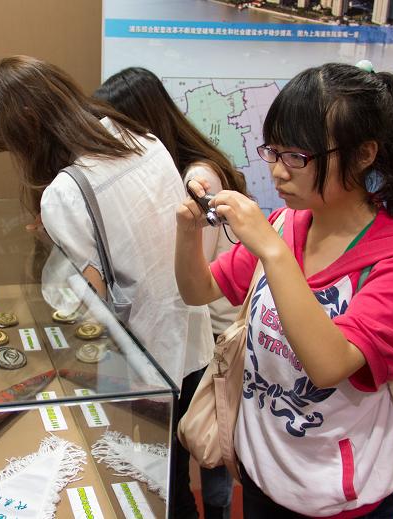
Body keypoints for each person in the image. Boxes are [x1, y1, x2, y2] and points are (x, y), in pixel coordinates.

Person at [175, 62, 393, 518]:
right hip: (260, 477)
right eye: (273, 151)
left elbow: (329, 365)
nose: (278, 172)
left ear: (364, 154)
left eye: (297, 157)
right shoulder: (286, 223)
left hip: (339, 499)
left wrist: (271, 250)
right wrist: (187, 230)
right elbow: (198, 290)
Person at [0, 55, 213, 406]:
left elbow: (84, 305)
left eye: (13, 146)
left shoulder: (64, 192)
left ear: (28, 126)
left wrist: (50, 247)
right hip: (193, 338)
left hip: (141, 361)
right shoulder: (143, 139)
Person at [94, 67, 247, 519]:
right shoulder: (179, 171)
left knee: (203, 448)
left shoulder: (195, 178)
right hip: (198, 331)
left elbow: (189, 273)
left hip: (211, 336)